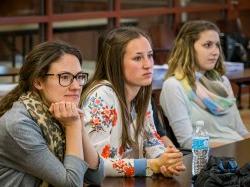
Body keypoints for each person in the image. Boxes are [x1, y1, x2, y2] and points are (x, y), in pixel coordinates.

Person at [81, 27, 185, 177]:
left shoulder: (141, 92)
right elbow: (98, 164)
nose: (148, 64)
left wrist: (165, 161)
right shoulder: (100, 96)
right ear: (116, 62)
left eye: (150, 56)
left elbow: (152, 141)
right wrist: (152, 165)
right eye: (138, 58)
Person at [0, 41, 104, 186]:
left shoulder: (62, 112)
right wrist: (73, 126)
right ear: (38, 82)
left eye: (79, 77)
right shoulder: (18, 124)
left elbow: (96, 176)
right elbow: (72, 184)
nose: (76, 86)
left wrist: (78, 126)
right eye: (65, 77)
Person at [160, 20, 250, 149]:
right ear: (188, 48)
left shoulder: (222, 81)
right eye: (207, 45)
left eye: (217, 45)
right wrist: (232, 146)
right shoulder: (173, 86)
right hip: (213, 159)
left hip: (237, 150)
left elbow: (241, 131)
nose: (215, 52)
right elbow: (188, 142)